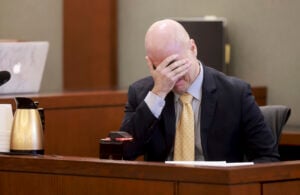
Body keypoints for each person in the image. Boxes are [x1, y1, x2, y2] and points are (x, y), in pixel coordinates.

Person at [119, 19, 279, 163]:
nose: (171, 76)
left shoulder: (235, 94)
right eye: (161, 68)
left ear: (193, 48)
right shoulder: (143, 94)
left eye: (176, 64)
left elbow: (267, 157)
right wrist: (157, 94)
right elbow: (124, 152)